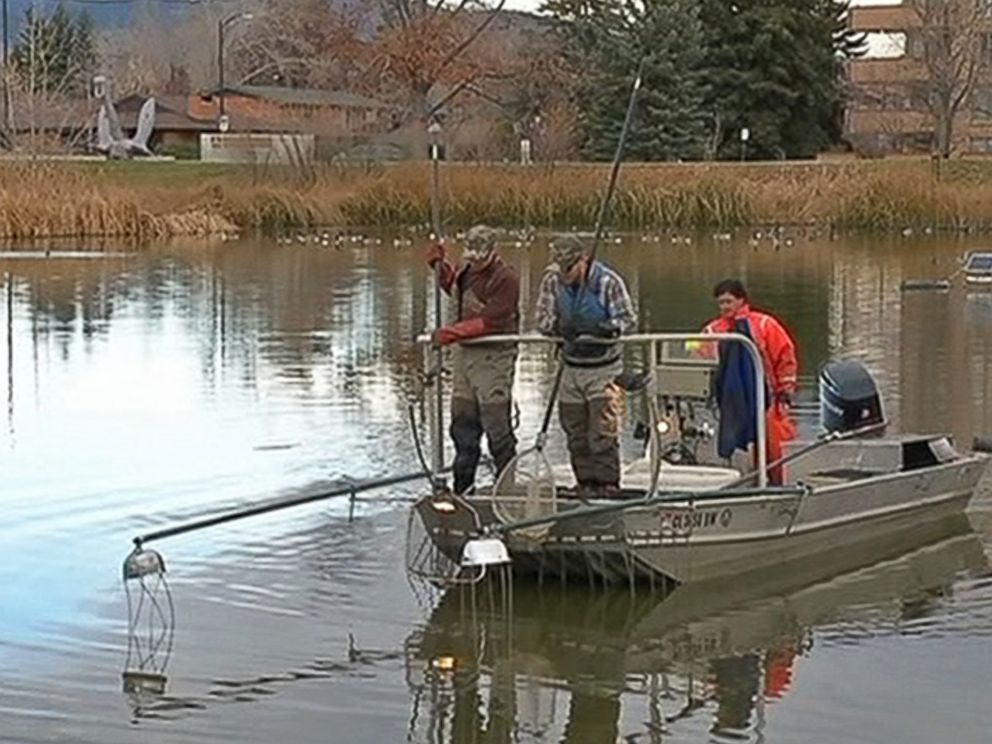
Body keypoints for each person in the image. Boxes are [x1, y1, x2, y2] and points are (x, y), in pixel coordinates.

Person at [534, 234, 637, 497]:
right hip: (570, 367)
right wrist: (557, 327)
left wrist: (604, 328)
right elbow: (541, 319)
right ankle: (584, 482)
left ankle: (608, 484)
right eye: (561, 269)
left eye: (569, 268)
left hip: (603, 368)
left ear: (583, 260)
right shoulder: (552, 282)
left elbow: (627, 320)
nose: (564, 275)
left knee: (602, 432)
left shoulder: (608, 282)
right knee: (575, 431)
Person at [426, 225, 520, 495]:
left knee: (497, 427)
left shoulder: (506, 278)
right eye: (472, 256)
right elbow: (456, 293)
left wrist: (450, 333)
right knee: (463, 428)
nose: (475, 262)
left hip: (493, 357)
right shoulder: (465, 271)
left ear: (493, 251)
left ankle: (508, 490)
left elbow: (492, 320)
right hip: (464, 358)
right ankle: (463, 488)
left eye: (481, 257)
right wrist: (439, 267)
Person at [700, 278, 798, 484]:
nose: (724, 307)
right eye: (721, 303)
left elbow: (785, 357)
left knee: (775, 449)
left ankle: (778, 486)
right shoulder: (712, 330)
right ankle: (742, 482)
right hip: (730, 400)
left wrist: (786, 389)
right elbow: (699, 358)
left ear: (741, 300)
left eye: (729, 301)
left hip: (767, 397)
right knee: (734, 448)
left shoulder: (764, 325)